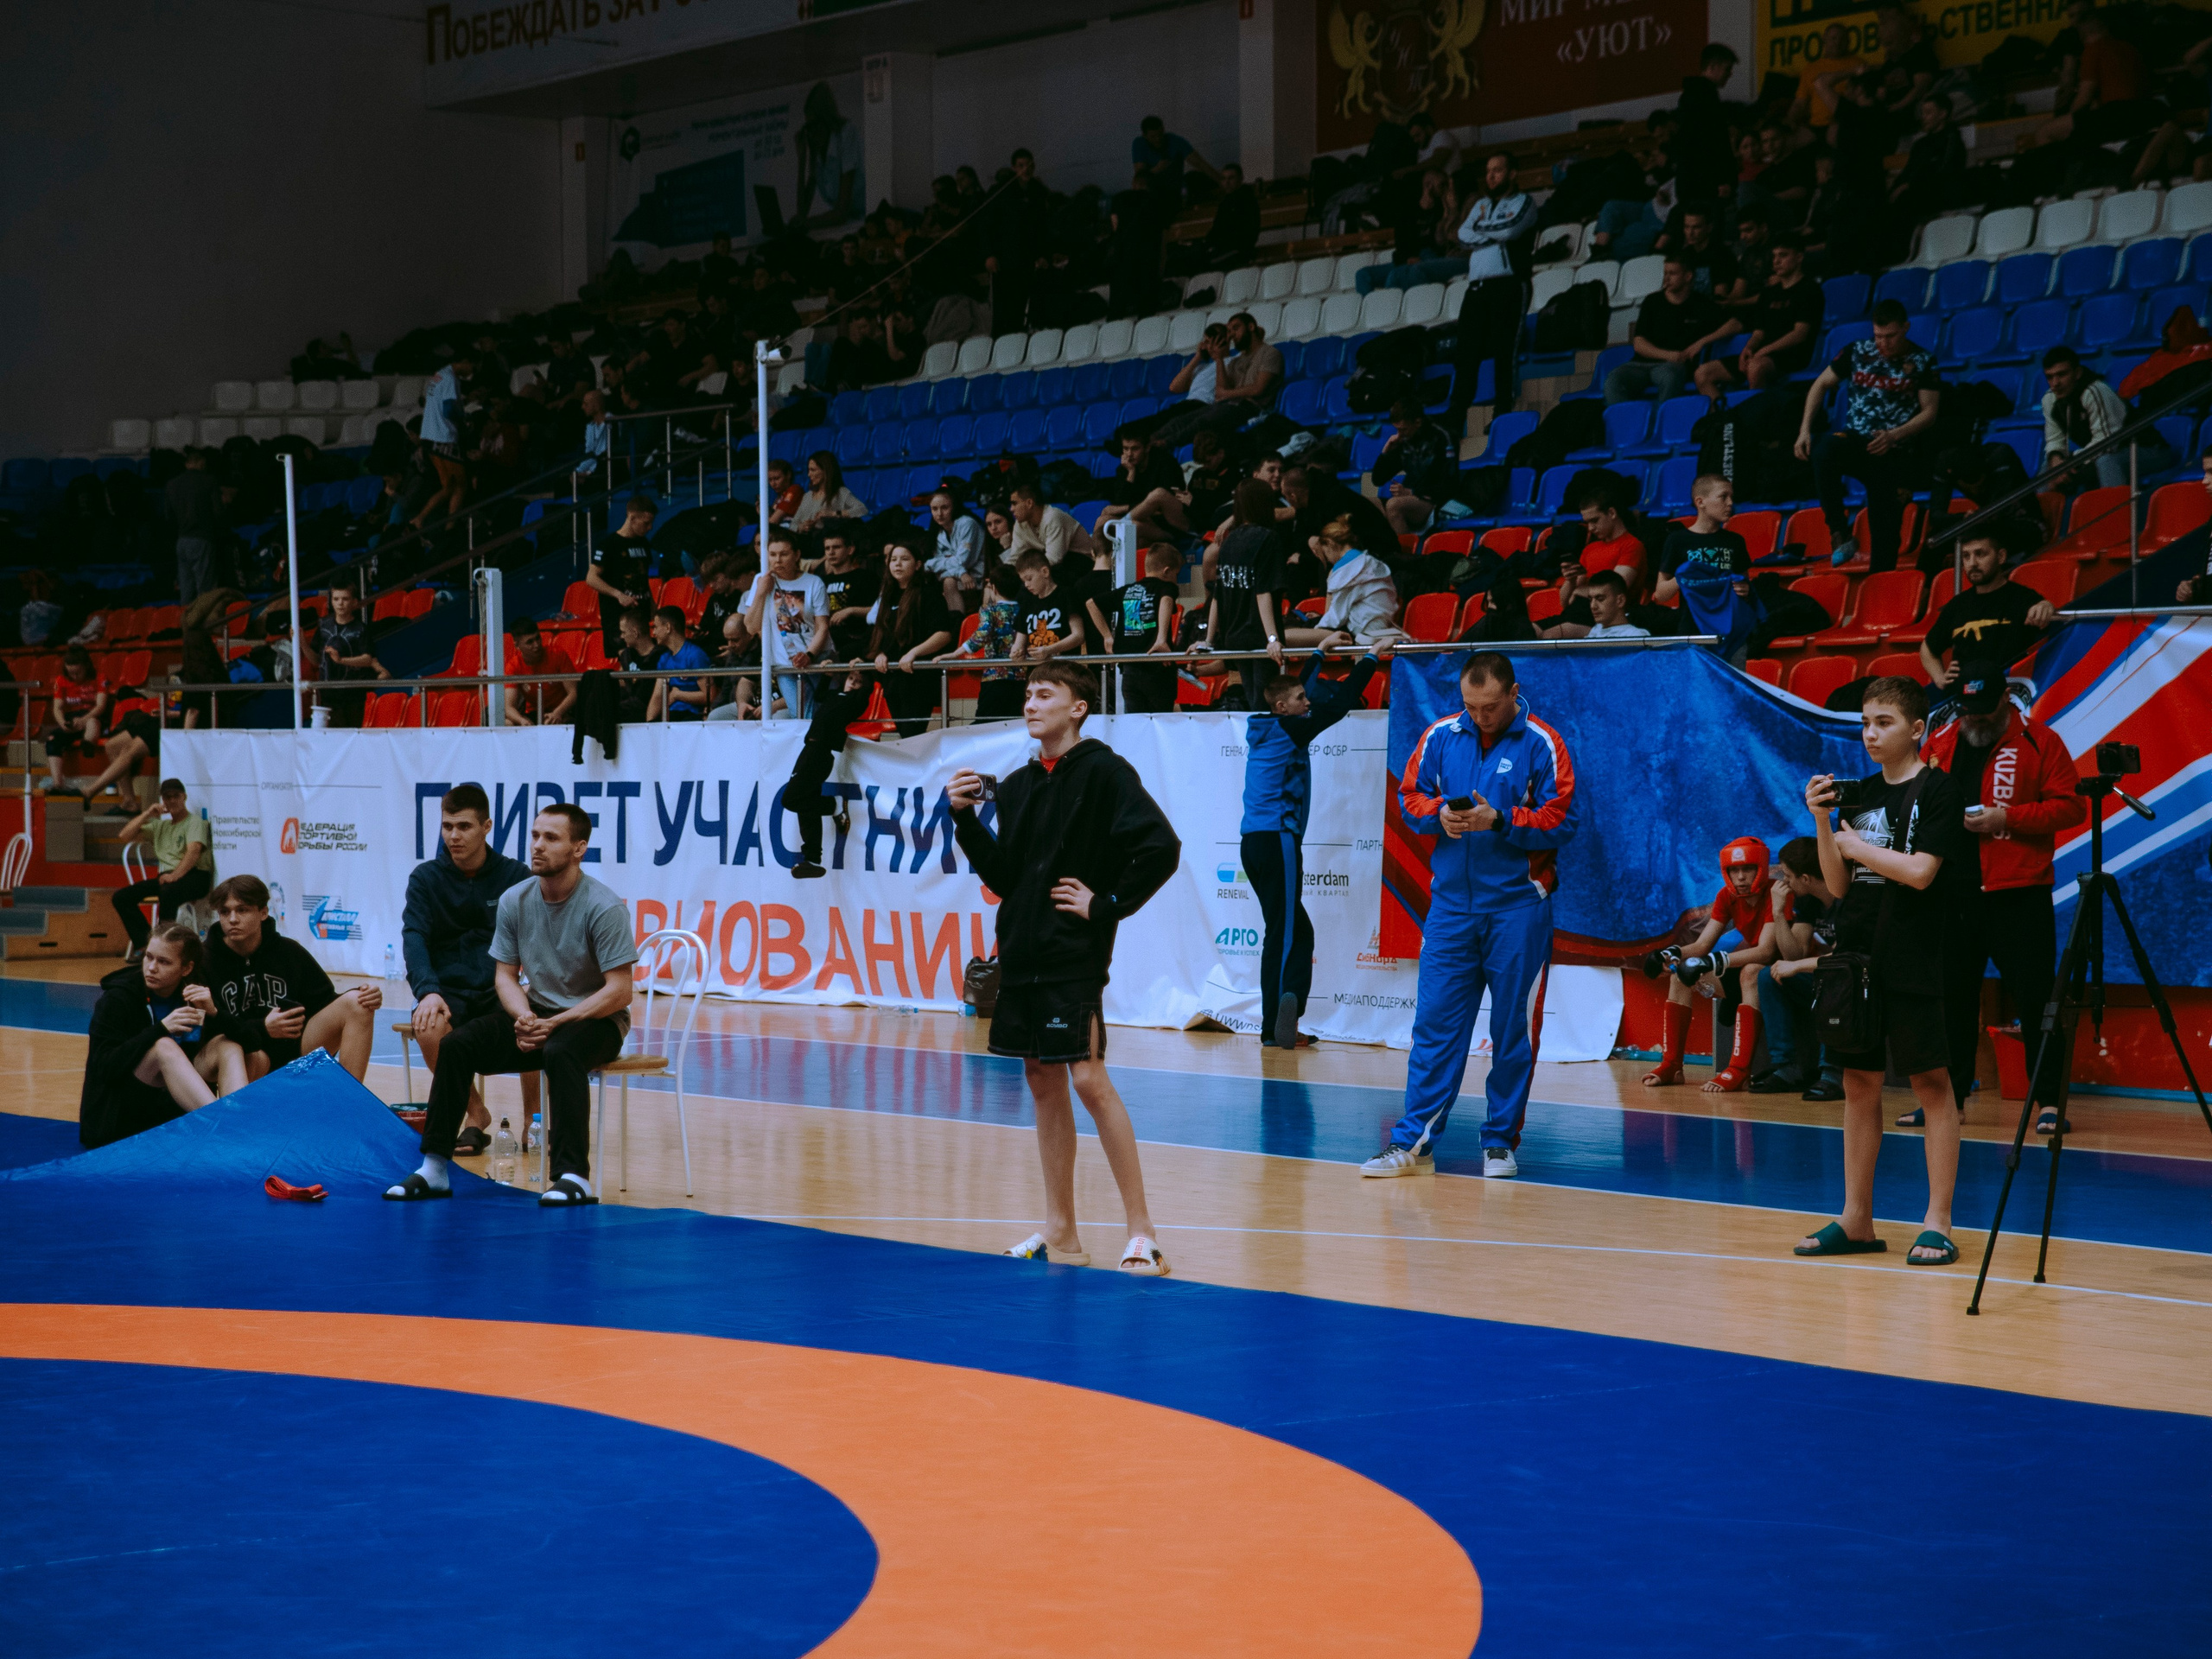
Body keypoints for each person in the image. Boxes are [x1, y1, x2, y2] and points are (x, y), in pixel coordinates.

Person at [948, 663, 1182, 1274]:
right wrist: (965, 820)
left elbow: (1161, 847)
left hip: (1073, 955)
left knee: (1087, 1079)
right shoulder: (1019, 785)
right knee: (1041, 1080)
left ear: (1077, 707)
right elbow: (1005, 876)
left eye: (1045, 694)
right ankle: (1062, 1235)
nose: (1030, 703)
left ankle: (1143, 1233)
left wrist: (1106, 904)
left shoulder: (1105, 771)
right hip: (1022, 954)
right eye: (1027, 694)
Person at [1365, 652, 1577, 1179]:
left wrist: (1500, 819)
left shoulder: (1543, 743)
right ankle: (1412, 1144)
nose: (1480, 717)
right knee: (1434, 1027)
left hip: (1518, 909)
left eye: (1490, 707)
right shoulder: (1440, 736)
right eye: (1470, 706)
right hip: (1450, 910)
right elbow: (1410, 797)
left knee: (1512, 1031)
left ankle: (1500, 1142)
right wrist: (1438, 815)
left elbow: (1562, 820)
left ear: (1513, 694)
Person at [1793, 676, 1968, 1265]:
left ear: (1917, 729)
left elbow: (1920, 873)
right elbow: (1838, 886)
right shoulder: (1860, 794)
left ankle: (1938, 1220)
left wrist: (1858, 847)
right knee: (1858, 1084)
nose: (1870, 733)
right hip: (1857, 958)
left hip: (1916, 955)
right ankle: (1857, 1219)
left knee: (1932, 1085)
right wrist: (1823, 823)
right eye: (1865, 723)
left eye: (1884, 722)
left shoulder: (1939, 790)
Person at [386, 804, 639, 1205]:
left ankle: (573, 1177)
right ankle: (434, 1169)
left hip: (597, 1020)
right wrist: (524, 1016)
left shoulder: (603, 906)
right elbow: (505, 975)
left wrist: (556, 1023)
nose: (537, 845)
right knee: (457, 1044)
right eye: (535, 835)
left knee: (560, 1050)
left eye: (551, 838)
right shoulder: (515, 899)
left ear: (579, 849)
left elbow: (621, 991)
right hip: (539, 1013)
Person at [1921, 661, 2088, 1135]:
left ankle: (2049, 1102)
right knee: (1952, 1001)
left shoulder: (2040, 740)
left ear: (2005, 700)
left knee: (2036, 1001)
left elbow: (2071, 806)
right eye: (1966, 708)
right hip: (1953, 892)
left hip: (2018, 893)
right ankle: (1949, 1102)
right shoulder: (1941, 742)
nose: (1973, 717)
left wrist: (2006, 818)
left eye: (1983, 708)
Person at [1243, 645, 1391, 1048]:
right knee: (1285, 934)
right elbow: (1340, 705)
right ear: (1282, 707)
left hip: (1255, 843)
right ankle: (1273, 1027)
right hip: (1277, 841)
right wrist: (1371, 658)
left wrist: (1318, 655)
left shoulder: (1270, 725)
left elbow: (1296, 689)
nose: (1308, 703)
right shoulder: (1292, 728)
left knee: (1296, 930)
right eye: (1301, 700)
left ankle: (1286, 1011)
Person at [403, 784, 537, 1156]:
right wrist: (428, 991)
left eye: (464, 826)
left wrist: (533, 985)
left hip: (500, 988)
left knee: (533, 1017)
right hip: (447, 991)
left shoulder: (516, 875)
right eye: (447, 826)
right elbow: (414, 938)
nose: (454, 836)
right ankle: (476, 1112)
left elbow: (536, 938)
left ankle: (533, 1121)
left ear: (487, 827)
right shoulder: (425, 878)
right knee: (428, 1024)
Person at [1795, 299, 1942, 573]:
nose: (1883, 343)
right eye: (1878, 336)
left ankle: (1880, 584)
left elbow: (1930, 412)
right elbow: (1820, 385)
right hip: (1856, 440)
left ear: (1906, 328)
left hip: (1894, 451)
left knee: (1885, 533)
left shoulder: (1923, 360)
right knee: (1823, 448)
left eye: (1891, 336)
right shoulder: (1857, 351)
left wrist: (1894, 435)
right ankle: (1839, 533)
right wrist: (1804, 430)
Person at [79, 922, 247, 1148]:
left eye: (164, 962)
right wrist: (160, 1029)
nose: (151, 968)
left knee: (227, 1046)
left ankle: (238, 1124)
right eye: (148, 957)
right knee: (164, 1047)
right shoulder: (117, 999)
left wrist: (215, 1013)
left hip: (167, 1112)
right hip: (117, 1119)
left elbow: (252, 1042)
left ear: (186, 969)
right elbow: (105, 1067)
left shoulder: (194, 993)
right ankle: (224, 1131)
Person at [1642, 836, 1789, 1092]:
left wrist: (1712, 961)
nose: (1740, 877)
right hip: (1744, 970)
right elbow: (1701, 946)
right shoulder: (1726, 896)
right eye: (1734, 870)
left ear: (1761, 868)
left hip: (1781, 974)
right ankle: (1672, 1065)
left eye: (1748, 869)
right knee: (1679, 976)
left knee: (1751, 972)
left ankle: (1739, 1071)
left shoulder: (1776, 892)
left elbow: (1766, 952)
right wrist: (1669, 953)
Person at [202, 874, 380, 1082]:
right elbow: (210, 1030)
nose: (232, 919)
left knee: (358, 1003)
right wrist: (263, 1028)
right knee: (245, 1054)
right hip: (244, 1055)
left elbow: (325, 1001)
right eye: (225, 912)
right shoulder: (205, 959)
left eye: (242, 910)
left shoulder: (288, 951)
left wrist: (364, 994)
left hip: (294, 1051)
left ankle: (347, 1096)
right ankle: (247, 1103)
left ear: (263, 912)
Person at [1748, 837, 1844, 1098]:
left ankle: (1832, 1073)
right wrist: (1779, 913)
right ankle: (1787, 1067)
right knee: (1768, 976)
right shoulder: (1809, 900)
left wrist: (1797, 966)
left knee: (1832, 977)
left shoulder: (1848, 901)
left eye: (1788, 876)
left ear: (1805, 878)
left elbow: (1843, 959)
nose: (1785, 882)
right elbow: (1795, 953)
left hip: (1855, 982)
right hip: (1824, 974)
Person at [1451, 150, 1536, 415]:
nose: (1491, 176)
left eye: (1497, 170)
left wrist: (1479, 229)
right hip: (1477, 288)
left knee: (1504, 350)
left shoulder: (1525, 202)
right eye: (1488, 171)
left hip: (1509, 285)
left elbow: (1510, 230)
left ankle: (1503, 410)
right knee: (1466, 352)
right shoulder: (1480, 205)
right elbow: (1461, 235)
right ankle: (1457, 413)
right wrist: (1492, 232)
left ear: (1512, 174)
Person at [1919, 530, 2059, 686]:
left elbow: (2046, 613)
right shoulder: (1957, 605)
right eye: (1966, 556)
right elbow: (1928, 649)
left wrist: (2046, 606)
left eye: (1980, 554)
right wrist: (1939, 678)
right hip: (1965, 693)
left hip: (2010, 689)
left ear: (2001, 557)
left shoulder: (2022, 597)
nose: (1972, 563)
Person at [1694, 233, 1824, 397]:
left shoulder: (1810, 290)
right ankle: (1722, 412)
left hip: (1793, 355)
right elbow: (1758, 332)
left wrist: (1763, 351)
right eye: (1774, 256)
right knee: (1703, 373)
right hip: (1762, 354)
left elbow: (1799, 334)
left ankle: (1756, 411)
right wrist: (1748, 349)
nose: (1776, 261)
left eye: (1783, 255)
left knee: (1756, 367)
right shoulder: (1768, 294)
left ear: (1799, 257)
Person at [782, 671, 876, 879]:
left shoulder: (856, 702)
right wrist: (827, 674)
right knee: (806, 805)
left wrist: (864, 668)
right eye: (851, 679)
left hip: (820, 752)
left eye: (859, 682)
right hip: (810, 749)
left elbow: (866, 690)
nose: (853, 683)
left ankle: (834, 805)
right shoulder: (834, 695)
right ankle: (813, 859)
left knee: (791, 799)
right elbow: (819, 695)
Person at [1206, 478, 1291, 708]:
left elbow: (1218, 596)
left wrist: (1209, 639)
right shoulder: (1268, 538)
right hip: (1260, 640)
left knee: (1255, 704)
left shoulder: (1229, 541)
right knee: (1265, 706)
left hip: (1234, 638)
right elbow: (1263, 592)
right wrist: (1272, 639)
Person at [111, 779, 214, 963]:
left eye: (176, 796)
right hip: (167, 877)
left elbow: (194, 851)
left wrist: (175, 876)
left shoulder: (195, 822)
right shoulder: (161, 826)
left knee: (168, 892)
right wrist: (147, 813)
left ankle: (166, 947)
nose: (172, 800)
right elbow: (124, 835)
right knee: (121, 897)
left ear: (184, 797)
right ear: (162, 800)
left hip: (195, 875)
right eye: (167, 797)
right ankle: (146, 945)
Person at [1148, 312, 1285, 448]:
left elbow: (1258, 389)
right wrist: (1219, 359)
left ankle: (1163, 444)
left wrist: (1227, 394)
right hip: (1227, 405)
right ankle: (1148, 443)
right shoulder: (1236, 361)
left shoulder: (1270, 354)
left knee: (1203, 422)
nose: (1232, 335)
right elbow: (1220, 394)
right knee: (1178, 421)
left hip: (1251, 408)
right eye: (1229, 332)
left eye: (1236, 328)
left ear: (1251, 327)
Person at [1605, 258, 1732, 404]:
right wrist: (1670, 355)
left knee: (1670, 377)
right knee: (1613, 380)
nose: (1666, 278)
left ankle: (1664, 418)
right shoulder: (1652, 301)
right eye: (1665, 273)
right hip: (1640, 365)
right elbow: (1639, 344)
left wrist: (1702, 342)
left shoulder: (1702, 304)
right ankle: (1625, 419)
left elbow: (1734, 324)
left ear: (1688, 276)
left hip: (1673, 368)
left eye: (1672, 273)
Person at [868, 539, 957, 736]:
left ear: (918, 565)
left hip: (919, 677)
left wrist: (914, 653)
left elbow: (943, 634)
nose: (897, 564)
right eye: (893, 560)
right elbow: (882, 632)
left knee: (912, 735)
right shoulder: (887, 596)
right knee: (905, 736)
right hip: (893, 678)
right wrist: (880, 652)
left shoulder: (930, 593)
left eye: (904, 559)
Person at [1089, 542, 1183, 715]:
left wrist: (1107, 636)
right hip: (1157, 669)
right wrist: (1161, 639)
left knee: (1135, 722)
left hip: (1130, 670)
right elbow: (1166, 600)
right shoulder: (1166, 587)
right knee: (1161, 722)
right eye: (1176, 574)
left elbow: (1092, 604)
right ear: (1167, 571)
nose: (1176, 580)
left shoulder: (1127, 590)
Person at [746, 532, 830, 719]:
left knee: (823, 714)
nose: (777, 560)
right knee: (803, 717)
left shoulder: (813, 582)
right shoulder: (761, 580)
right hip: (784, 663)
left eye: (784, 554)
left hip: (817, 658)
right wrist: (761, 592)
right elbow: (751, 627)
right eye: (773, 554)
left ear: (797, 555)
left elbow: (823, 627)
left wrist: (809, 654)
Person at [943, 562, 1030, 721]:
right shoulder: (1026, 609)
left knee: (985, 722)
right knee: (1015, 722)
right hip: (1021, 677)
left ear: (994, 588)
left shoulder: (990, 610)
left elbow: (983, 633)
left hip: (994, 677)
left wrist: (957, 653)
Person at [2041, 346, 2133, 492]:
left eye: (2062, 374)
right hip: (2098, 453)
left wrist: (2070, 463)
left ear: (2077, 373)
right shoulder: (2049, 399)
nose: (2055, 383)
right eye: (2050, 377)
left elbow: (2107, 444)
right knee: (2050, 466)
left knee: (2105, 461)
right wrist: (2056, 459)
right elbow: (2054, 439)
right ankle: (2042, 506)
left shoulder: (2095, 391)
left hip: (2141, 450)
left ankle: (2117, 506)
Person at [1371, 399, 1460, 537]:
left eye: (1403, 429)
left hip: (1433, 501)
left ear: (1417, 422)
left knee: (1394, 505)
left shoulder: (1442, 437)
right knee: (1367, 504)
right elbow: (1378, 479)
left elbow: (1449, 484)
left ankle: (1405, 550)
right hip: (1409, 498)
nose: (1399, 434)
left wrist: (1412, 492)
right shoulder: (1405, 441)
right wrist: (1386, 451)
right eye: (1397, 430)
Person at [587, 494, 657, 657]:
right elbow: (591, 578)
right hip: (617, 616)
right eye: (646, 523)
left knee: (645, 657)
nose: (650, 528)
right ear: (632, 517)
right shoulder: (608, 544)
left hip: (641, 612)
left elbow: (643, 577)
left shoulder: (643, 543)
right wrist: (619, 595)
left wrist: (652, 603)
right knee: (627, 659)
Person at [37, 646, 111, 794]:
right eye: (71, 673)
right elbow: (57, 708)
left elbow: (100, 706)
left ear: (86, 667)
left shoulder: (99, 678)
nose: (75, 676)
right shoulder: (61, 681)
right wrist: (62, 723)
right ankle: (58, 784)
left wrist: (84, 720)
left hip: (92, 716)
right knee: (52, 739)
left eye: (78, 672)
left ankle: (88, 744)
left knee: (92, 723)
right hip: (71, 720)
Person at [315, 585, 387, 728]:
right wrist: (302, 643)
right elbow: (316, 659)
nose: (340, 603)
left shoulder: (361, 629)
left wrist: (341, 660)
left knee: (351, 734)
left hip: (353, 696)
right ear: (331, 602)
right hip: (328, 696)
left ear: (354, 602)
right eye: (336, 599)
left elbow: (368, 659)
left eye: (345, 599)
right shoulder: (323, 626)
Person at [164, 448, 224, 605]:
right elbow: (218, 513)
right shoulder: (209, 481)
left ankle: (186, 619)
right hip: (202, 539)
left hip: (182, 541)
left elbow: (168, 516)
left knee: (186, 591)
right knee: (205, 591)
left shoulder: (172, 484)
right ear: (201, 461)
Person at [1012, 549, 1086, 664]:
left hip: (1064, 667)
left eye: (1029, 579)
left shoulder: (1066, 595)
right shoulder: (1027, 603)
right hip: (1036, 670)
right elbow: (1019, 643)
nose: (1026, 585)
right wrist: (1015, 653)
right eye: (1023, 581)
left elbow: (1078, 635)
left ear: (1045, 572)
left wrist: (1049, 650)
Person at [505, 615, 579, 726]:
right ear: (517, 645)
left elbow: (574, 692)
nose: (536, 645)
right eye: (530, 642)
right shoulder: (513, 666)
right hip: (535, 713)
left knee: (553, 722)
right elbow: (508, 707)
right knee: (507, 723)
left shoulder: (558, 655)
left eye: (538, 638)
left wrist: (557, 713)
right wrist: (522, 721)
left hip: (563, 710)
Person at [1133, 114, 1217, 207]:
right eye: (1153, 136)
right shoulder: (1139, 144)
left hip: (1175, 188)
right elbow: (1140, 178)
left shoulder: (1174, 141)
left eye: (1160, 135)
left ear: (1163, 130)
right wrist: (1158, 169)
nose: (1158, 139)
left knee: (1195, 177)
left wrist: (1221, 180)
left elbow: (1200, 163)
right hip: (1155, 193)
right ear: (1145, 136)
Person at [645, 605, 712, 721]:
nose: (653, 633)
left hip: (691, 715)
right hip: (671, 714)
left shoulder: (695, 655)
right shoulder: (664, 659)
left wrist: (678, 695)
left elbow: (709, 696)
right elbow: (657, 696)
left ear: (668, 628)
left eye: (655, 627)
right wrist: (649, 725)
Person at [925, 490, 986, 613]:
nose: (939, 513)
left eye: (945, 508)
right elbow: (939, 567)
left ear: (954, 507)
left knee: (948, 581)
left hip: (978, 577)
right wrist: (960, 573)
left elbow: (963, 561)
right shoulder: (939, 533)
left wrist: (930, 564)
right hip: (960, 577)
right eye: (934, 509)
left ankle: (957, 621)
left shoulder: (967, 524)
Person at [1008, 482, 1096, 565]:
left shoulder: (1053, 517)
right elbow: (1015, 558)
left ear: (1029, 503)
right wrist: (1003, 573)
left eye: (1014, 503)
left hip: (1086, 562)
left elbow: (1053, 560)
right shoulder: (1020, 524)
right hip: (1064, 565)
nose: (1011, 509)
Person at [790, 451, 868, 537]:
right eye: (809, 470)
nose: (809, 474)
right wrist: (801, 527)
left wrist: (833, 514)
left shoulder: (840, 492)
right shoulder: (807, 496)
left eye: (813, 470)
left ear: (826, 471)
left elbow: (862, 510)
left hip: (826, 538)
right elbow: (793, 524)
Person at [1557, 570, 1649, 639]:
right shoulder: (1596, 630)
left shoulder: (1636, 636)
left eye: (1600, 599)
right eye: (1590, 599)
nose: (1593, 606)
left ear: (1620, 601)